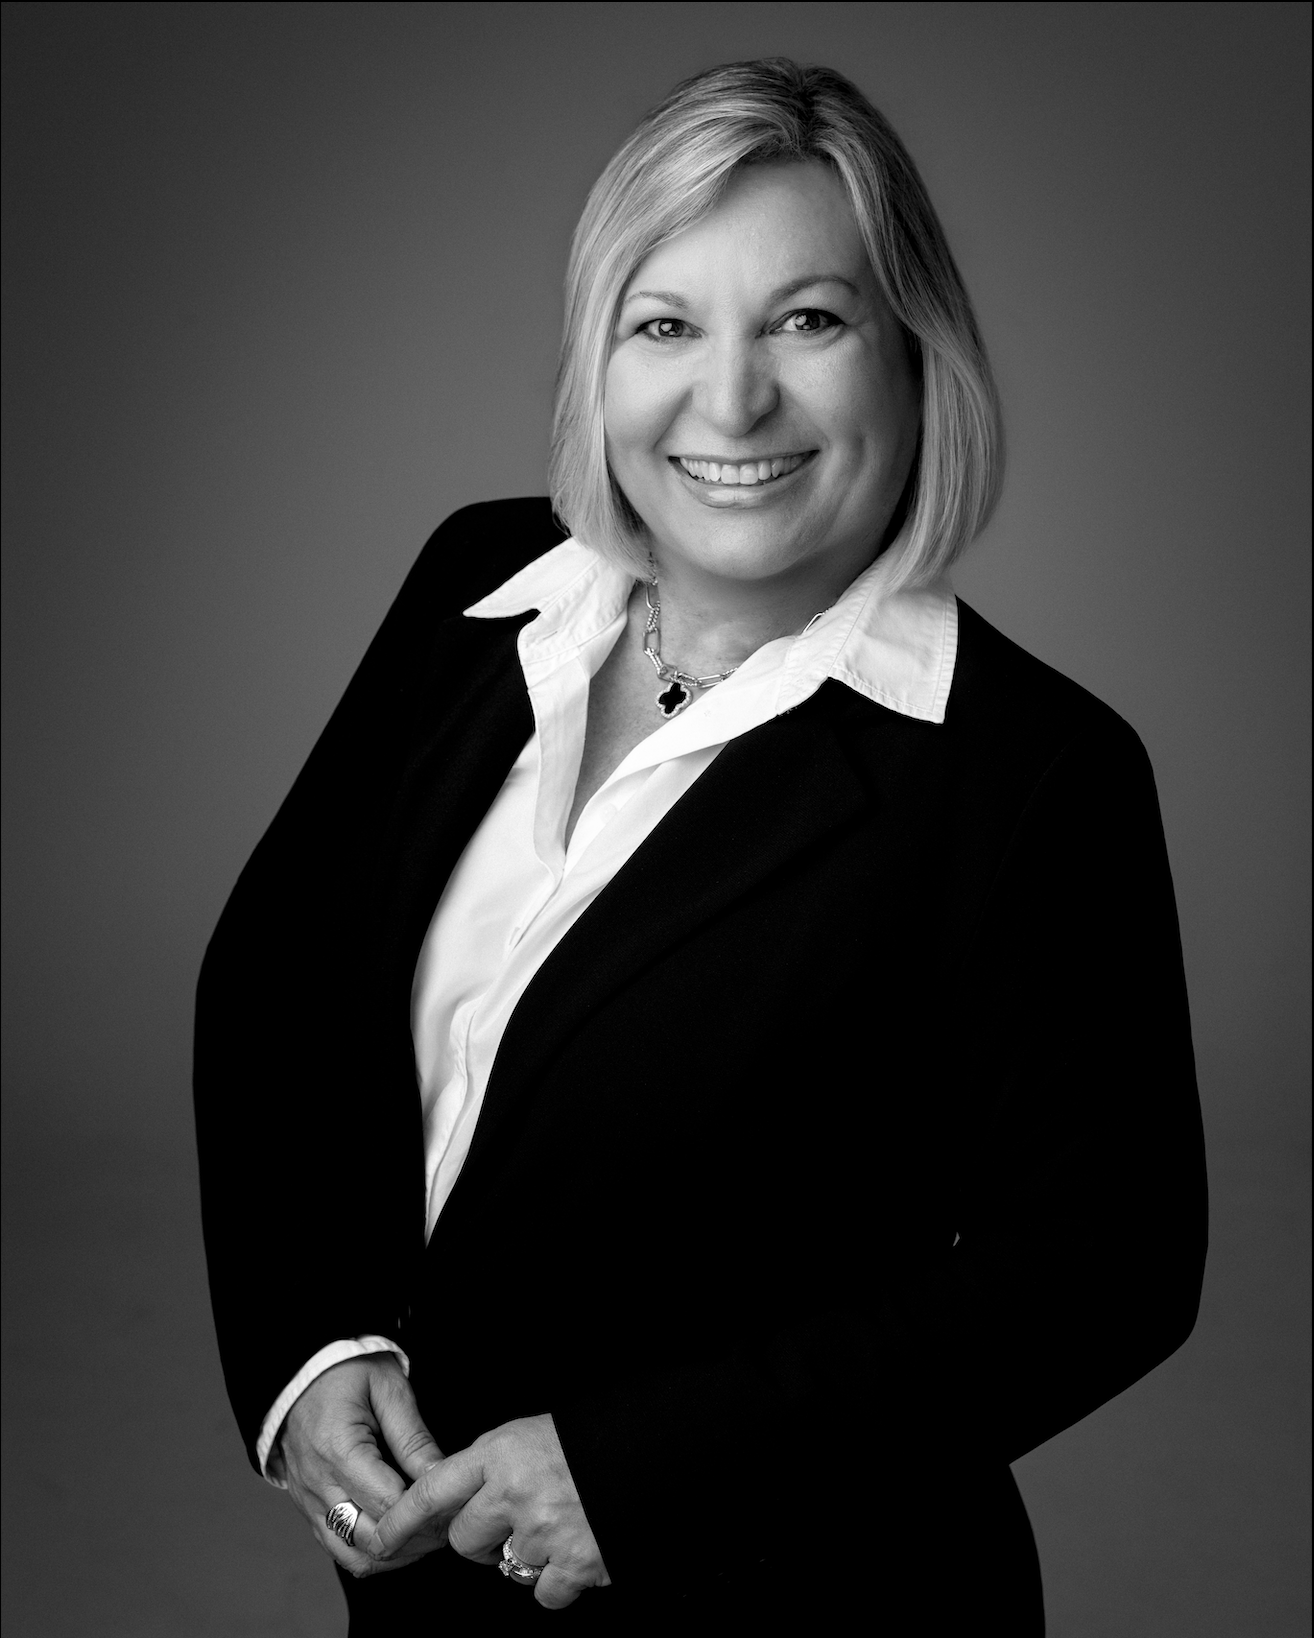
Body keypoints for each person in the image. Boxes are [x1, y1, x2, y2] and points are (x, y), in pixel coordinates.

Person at [194, 57, 1207, 1634]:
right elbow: (281, 975)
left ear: (915, 355)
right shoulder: (475, 584)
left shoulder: (1032, 771)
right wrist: (313, 1348)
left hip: (802, 1596)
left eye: (807, 320)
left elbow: (1101, 1264)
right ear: (599, 357)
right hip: (432, 1592)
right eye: (666, 324)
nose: (729, 402)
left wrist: (636, 1469)